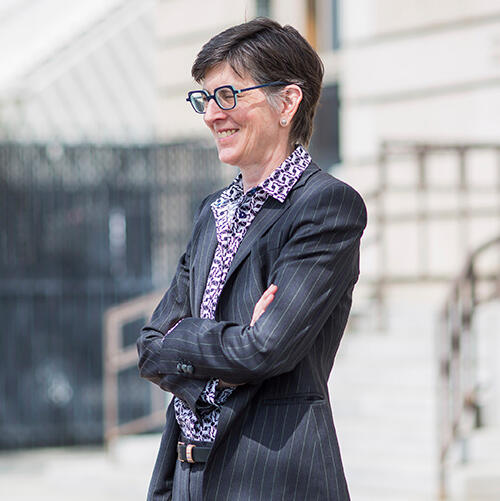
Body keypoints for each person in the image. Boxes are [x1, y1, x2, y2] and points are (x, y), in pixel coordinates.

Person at [137, 17, 367, 501]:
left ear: (287, 101)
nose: (211, 115)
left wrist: (187, 339)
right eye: (205, 99)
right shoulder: (211, 212)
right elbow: (151, 347)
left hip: (271, 478)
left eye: (228, 96)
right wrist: (229, 341)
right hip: (185, 476)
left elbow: (267, 349)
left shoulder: (326, 207)